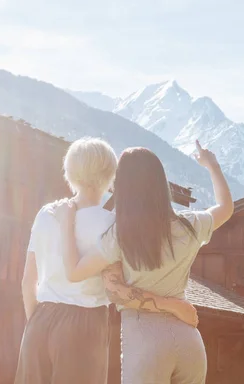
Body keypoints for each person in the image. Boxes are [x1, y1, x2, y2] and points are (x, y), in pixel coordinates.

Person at [15, 137, 199, 384]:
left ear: (70, 171)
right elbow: (121, 287)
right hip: (84, 325)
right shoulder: (112, 224)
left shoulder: (46, 214)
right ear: (110, 175)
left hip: (39, 319)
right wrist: (174, 306)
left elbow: (28, 282)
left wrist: (35, 326)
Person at [55, 140, 234, 384]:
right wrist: (211, 165)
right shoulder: (189, 225)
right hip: (190, 341)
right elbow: (225, 207)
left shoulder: (120, 234)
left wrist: (66, 223)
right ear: (161, 184)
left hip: (144, 343)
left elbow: (74, 272)